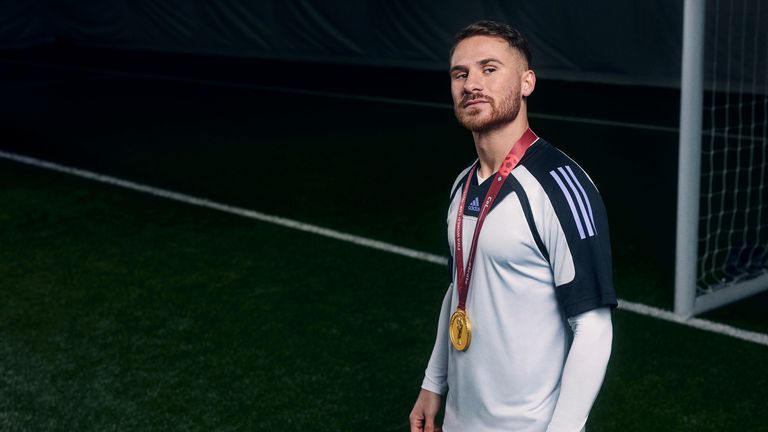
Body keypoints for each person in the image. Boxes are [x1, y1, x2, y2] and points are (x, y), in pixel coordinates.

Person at [409, 21, 617, 432]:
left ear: (526, 83)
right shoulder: (462, 184)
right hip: (457, 422)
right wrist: (433, 384)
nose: (471, 84)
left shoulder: (560, 186)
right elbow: (459, 291)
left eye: (489, 69)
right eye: (460, 73)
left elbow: (593, 327)